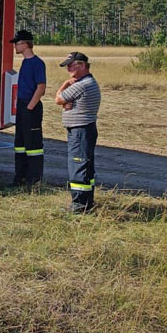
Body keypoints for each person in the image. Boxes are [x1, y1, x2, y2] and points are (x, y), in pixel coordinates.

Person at [54, 52, 101, 213]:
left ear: (81, 65)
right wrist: (67, 103)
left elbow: (59, 99)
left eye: (70, 65)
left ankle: (79, 205)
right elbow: (65, 103)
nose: (68, 69)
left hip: (80, 130)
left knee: (78, 165)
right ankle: (87, 202)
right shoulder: (88, 83)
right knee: (86, 166)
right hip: (84, 129)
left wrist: (66, 83)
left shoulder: (81, 85)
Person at [9, 29, 46, 187]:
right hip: (23, 106)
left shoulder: (37, 63)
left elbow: (41, 87)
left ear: (25, 44)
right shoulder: (25, 62)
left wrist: (30, 107)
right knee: (20, 143)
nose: (15, 47)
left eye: (17, 44)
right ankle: (20, 177)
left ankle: (33, 180)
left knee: (33, 145)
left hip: (31, 107)